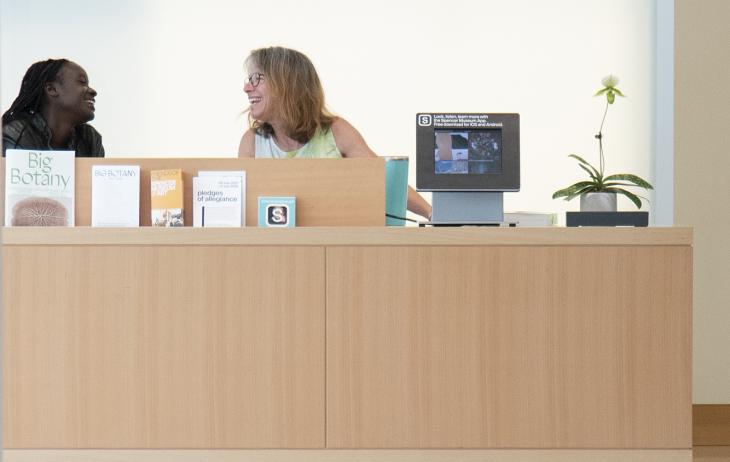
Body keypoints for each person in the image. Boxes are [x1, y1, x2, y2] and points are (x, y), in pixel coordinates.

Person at [238, 46, 431, 220]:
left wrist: (432, 214)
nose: (247, 88)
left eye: (257, 79)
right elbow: (241, 210)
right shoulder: (251, 142)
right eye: (249, 79)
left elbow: (382, 181)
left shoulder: (336, 132)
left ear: (287, 84)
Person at [2, 58, 104, 157]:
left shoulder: (90, 138)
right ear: (51, 89)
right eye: (82, 82)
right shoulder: (16, 134)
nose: (93, 91)